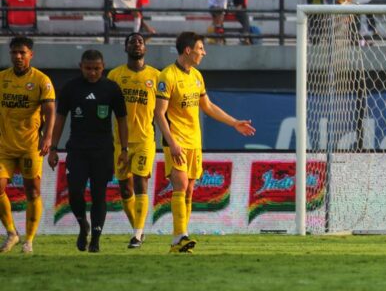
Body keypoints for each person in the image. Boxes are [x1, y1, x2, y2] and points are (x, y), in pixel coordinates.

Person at [155, 32, 256, 253]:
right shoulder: (167, 76)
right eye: (201, 48)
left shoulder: (197, 76)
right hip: (176, 140)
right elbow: (159, 114)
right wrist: (171, 142)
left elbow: (208, 107)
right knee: (180, 185)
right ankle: (182, 235)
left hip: (194, 141)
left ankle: (176, 241)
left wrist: (233, 123)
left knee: (190, 190)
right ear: (188, 50)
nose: (204, 52)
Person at [48, 50, 128, 253]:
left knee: (99, 195)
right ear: (80, 67)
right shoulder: (70, 88)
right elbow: (60, 119)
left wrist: (124, 149)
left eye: (97, 69)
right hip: (77, 150)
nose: (93, 73)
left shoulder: (111, 88)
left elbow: (121, 120)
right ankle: (83, 225)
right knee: (74, 192)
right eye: (89, 68)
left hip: (103, 151)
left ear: (103, 67)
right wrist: (53, 148)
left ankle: (96, 239)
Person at [0, 36, 55, 254]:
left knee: (32, 192)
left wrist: (48, 137)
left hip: (30, 145)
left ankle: (29, 240)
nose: (18, 56)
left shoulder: (42, 80)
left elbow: (50, 111)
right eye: (14, 53)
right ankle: (12, 233)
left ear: (31, 54)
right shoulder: (2, 79)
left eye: (22, 52)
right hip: (4, 145)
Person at [107, 33, 159, 248]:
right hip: (121, 142)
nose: (136, 44)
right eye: (132, 42)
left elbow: (163, 111)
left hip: (145, 139)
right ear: (125, 48)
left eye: (140, 41)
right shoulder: (115, 76)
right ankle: (138, 229)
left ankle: (137, 235)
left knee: (140, 182)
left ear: (145, 48)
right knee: (125, 189)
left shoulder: (156, 76)